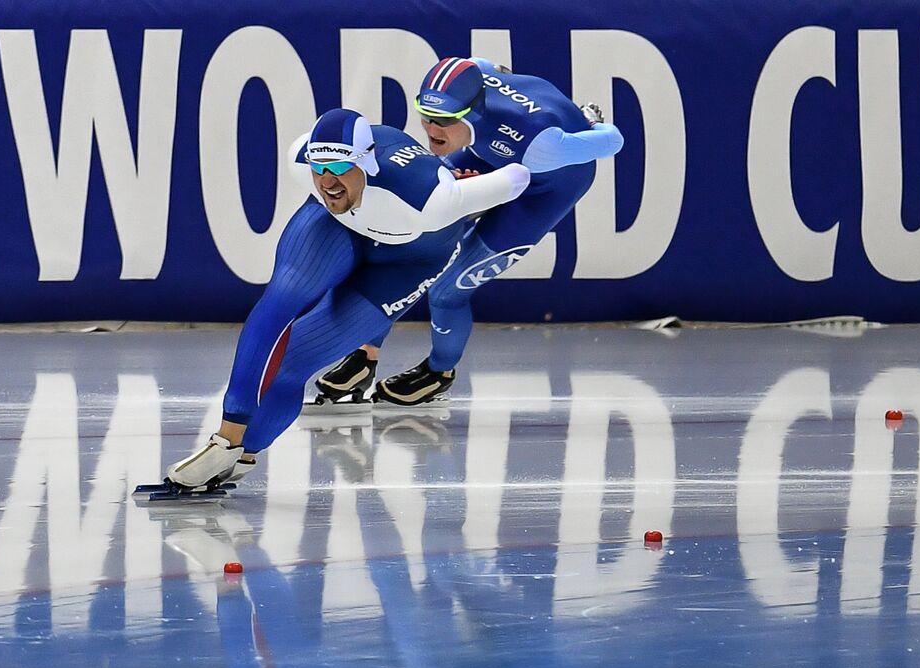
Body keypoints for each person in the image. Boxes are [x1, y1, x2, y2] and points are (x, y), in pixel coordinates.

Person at [161, 108, 530, 492]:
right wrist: (227, 433)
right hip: (339, 224)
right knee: (280, 300)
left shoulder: (433, 199)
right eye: (319, 166)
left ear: (366, 162)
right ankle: (228, 445)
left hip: (410, 259)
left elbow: (519, 177)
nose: (327, 179)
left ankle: (247, 455)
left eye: (339, 165)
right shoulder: (300, 160)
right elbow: (273, 316)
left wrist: (491, 177)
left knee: (294, 362)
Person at [311, 57, 624, 408]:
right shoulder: (472, 74)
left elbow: (612, 142)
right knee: (406, 243)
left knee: (448, 290)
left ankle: (438, 373)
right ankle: (364, 354)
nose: (431, 129)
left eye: (444, 121)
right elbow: (490, 66)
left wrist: (590, 123)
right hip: (488, 154)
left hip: (545, 186)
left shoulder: (543, 146)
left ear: (473, 113)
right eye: (425, 116)